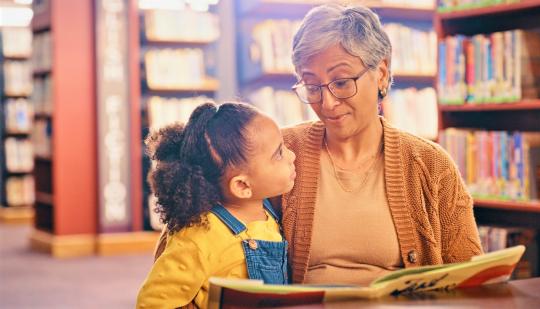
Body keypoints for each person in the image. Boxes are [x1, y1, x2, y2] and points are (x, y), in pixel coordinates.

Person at [277, 3, 483, 285]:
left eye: (341, 82)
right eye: (312, 87)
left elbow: (472, 280)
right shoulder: (279, 152)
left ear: (382, 73)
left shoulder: (432, 164)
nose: (327, 103)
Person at [136, 102, 296, 309]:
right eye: (280, 153)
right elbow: (152, 302)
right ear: (242, 185)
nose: (292, 155)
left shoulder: (268, 208)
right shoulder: (200, 237)